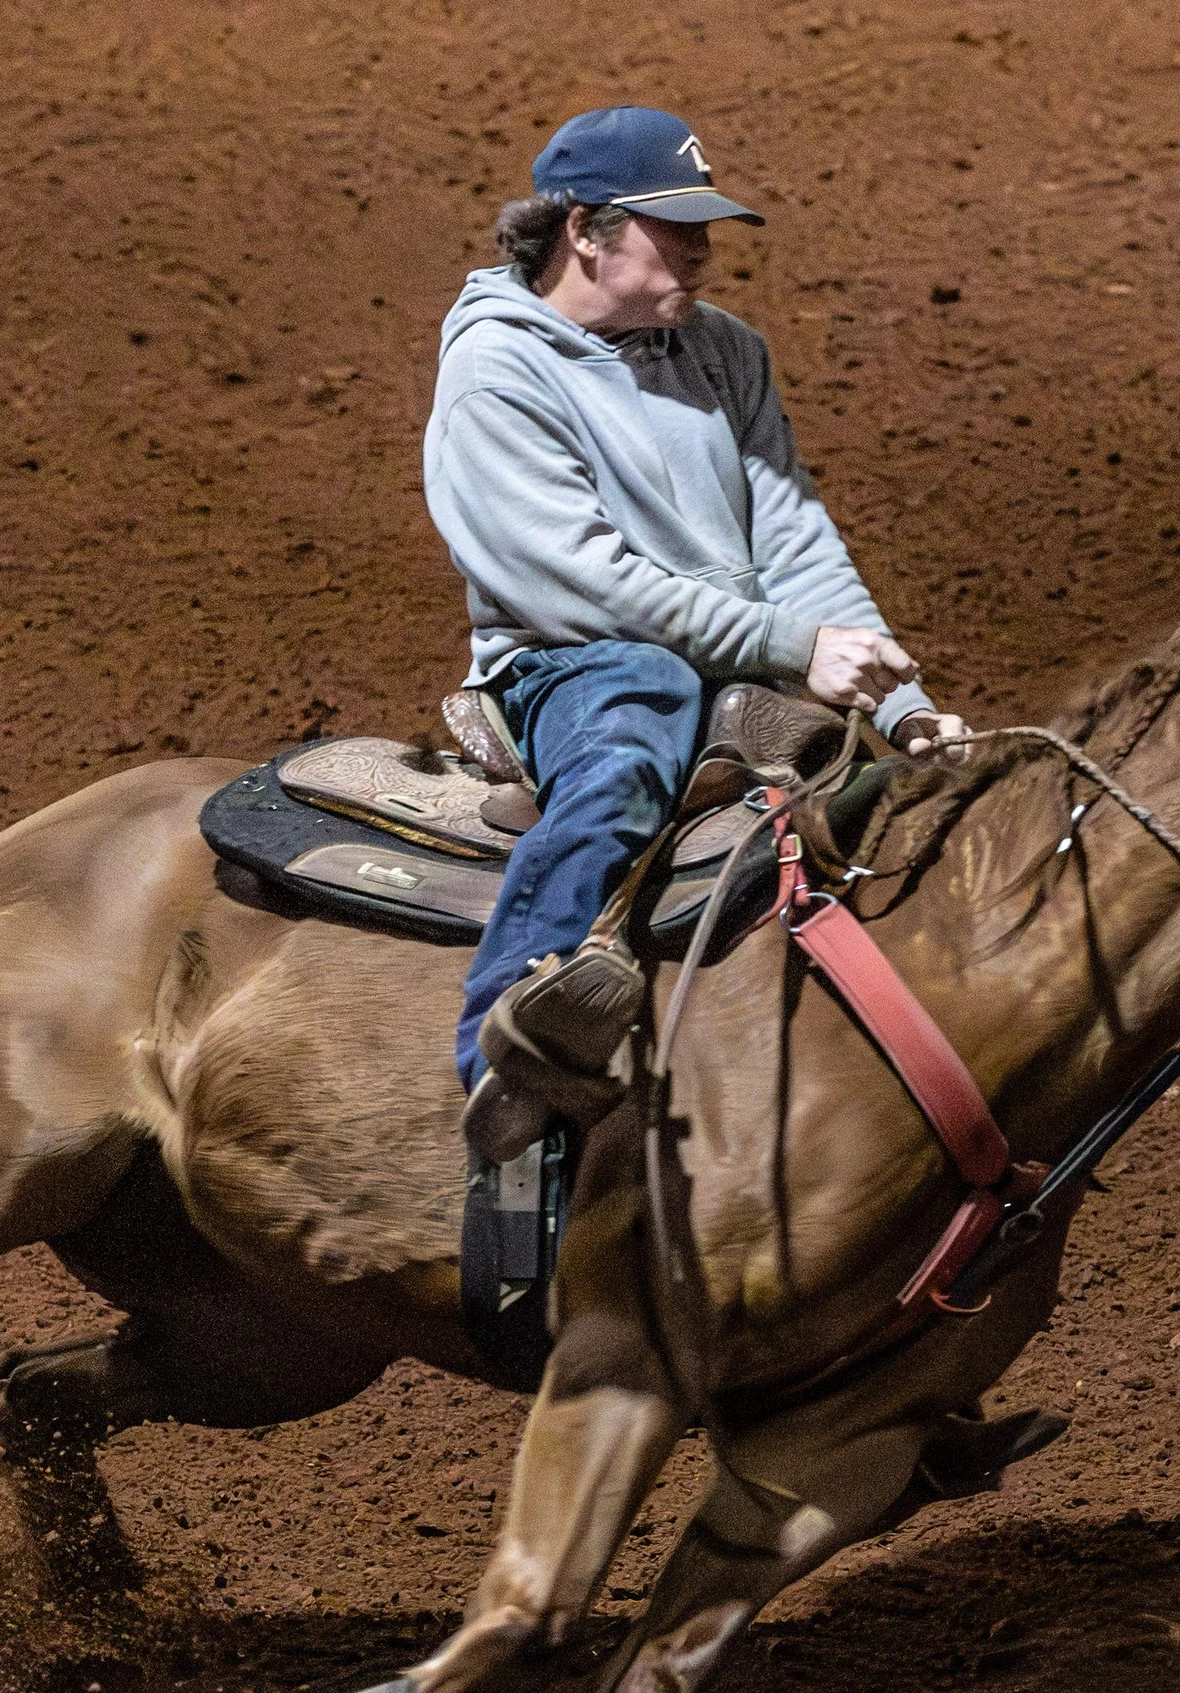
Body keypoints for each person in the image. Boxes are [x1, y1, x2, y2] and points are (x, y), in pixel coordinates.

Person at [424, 105, 967, 1161]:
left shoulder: (724, 352)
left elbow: (797, 542)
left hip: (738, 651)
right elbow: (584, 582)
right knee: (636, 721)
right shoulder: (498, 371)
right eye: (678, 231)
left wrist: (900, 708)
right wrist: (791, 648)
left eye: (706, 228)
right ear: (585, 231)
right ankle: (503, 1037)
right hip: (574, 659)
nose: (705, 251)